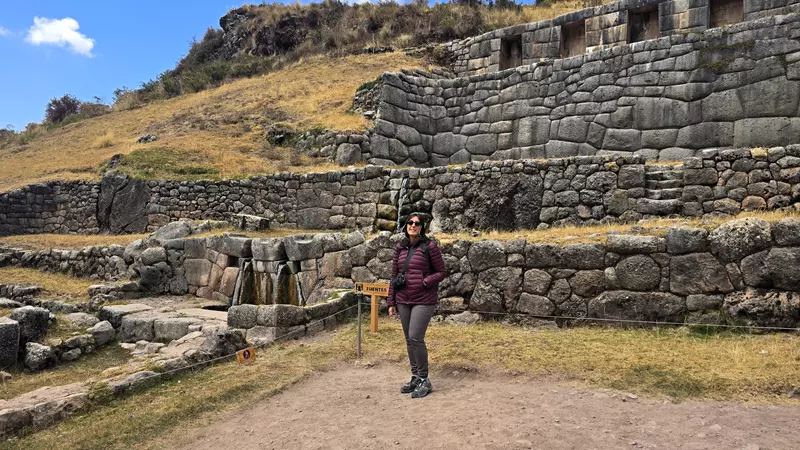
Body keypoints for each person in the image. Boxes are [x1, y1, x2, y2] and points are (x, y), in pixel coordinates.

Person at [387, 212, 447, 398]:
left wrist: (425, 282)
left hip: (423, 299)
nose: (413, 225)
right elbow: (394, 276)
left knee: (415, 337)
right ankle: (415, 376)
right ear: (406, 226)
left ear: (422, 227)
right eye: (410, 223)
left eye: (417, 223)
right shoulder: (400, 247)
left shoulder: (429, 247)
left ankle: (424, 379)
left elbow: (441, 272)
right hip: (403, 299)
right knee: (409, 339)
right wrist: (391, 301)